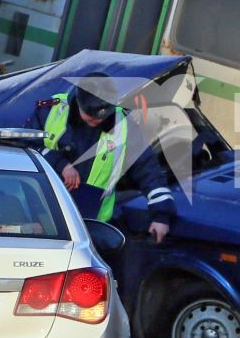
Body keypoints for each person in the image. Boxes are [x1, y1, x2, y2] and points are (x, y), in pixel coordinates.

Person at [34, 79, 177, 241]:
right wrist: (61, 164)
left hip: (90, 225)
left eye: (102, 115)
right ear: (79, 102)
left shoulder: (124, 126)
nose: (97, 120)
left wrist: (161, 216)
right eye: (90, 115)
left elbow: (148, 170)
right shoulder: (51, 109)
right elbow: (23, 145)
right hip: (39, 217)